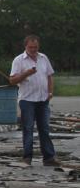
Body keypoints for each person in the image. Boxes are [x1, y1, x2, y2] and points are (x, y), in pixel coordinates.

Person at [9, 35, 59, 166]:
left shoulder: (43, 58)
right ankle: (27, 157)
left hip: (43, 99)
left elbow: (49, 76)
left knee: (44, 129)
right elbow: (12, 80)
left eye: (35, 47)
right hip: (27, 100)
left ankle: (49, 157)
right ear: (25, 46)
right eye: (31, 47)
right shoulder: (18, 60)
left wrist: (50, 92)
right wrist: (26, 73)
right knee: (28, 128)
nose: (33, 49)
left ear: (38, 46)